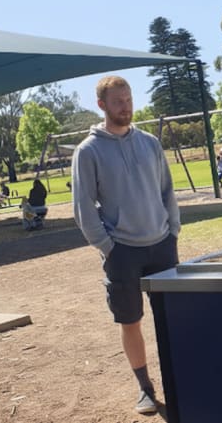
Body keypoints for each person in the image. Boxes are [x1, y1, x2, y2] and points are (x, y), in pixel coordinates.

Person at [72, 75, 180, 415]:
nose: (126, 106)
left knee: (172, 318)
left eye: (129, 99)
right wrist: (108, 247)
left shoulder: (149, 143)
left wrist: (173, 230)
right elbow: (83, 207)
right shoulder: (88, 151)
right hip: (123, 251)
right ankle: (145, 388)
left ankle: (180, 380)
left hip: (162, 244)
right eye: (118, 101)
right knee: (130, 320)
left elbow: (167, 190)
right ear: (102, 105)